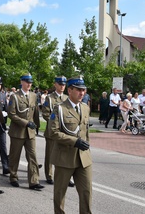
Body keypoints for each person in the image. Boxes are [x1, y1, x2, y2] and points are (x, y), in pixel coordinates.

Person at [49, 76, 92, 214]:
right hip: (64, 158)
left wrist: (86, 146)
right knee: (60, 194)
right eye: (79, 90)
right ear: (70, 90)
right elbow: (53, 132)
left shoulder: (85, 108)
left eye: (83, 90)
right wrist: (75, 141)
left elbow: (86, 133)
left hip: (83, 158)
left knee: (86, 192)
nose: (82, 93)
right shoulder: (60, 109)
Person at [7, 73, 43, 191]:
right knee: (14, 155)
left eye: (30, 82)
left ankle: (34, 181)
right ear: (21, 82)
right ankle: (13, 176)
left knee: (32, 156)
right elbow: (11, 114)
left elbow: (35, 112)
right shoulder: (15, 96)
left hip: (30, 132)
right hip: (18, 131)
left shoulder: (33, 95)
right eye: (27, 82)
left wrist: (36, 125)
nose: (29, 84)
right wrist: (26, 123)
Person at [42, 76, 70, 185]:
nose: (62, 86)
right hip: (52, 131)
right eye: (60, 84)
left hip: (64, 132)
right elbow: (45, 114)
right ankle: (49, 175)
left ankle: (65, 176)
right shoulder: (50, 98)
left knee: (64, 155)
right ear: (55, 85)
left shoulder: (67, 98)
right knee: (50, 154)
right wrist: (56, 123)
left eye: (63, 84)